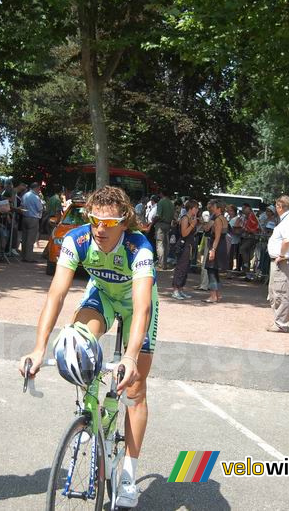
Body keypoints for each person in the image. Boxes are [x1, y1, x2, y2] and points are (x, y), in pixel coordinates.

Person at [18, 185, 157, 508]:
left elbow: (142, 309)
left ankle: (127, 473)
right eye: (93, 220)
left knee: (135, 388)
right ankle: (89, 414)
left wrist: (131, 357)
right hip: (103, 298)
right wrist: (39, 348)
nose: (99, 229)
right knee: (76, 339)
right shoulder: (77, 239)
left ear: (125, 222)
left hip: (136, 305)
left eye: (108, 223)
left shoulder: (140, 247)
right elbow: (56, 294)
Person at [266, 195, 289, 332]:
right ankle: (278, 321)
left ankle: (281, 323)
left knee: (281, 291)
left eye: (276, 206)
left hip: (285, 260)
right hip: (283, 260)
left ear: (280, 206)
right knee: (275, 291)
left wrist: (281, 255)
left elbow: (287, 240)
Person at [171, 200, 199, 299]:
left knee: (186, 268)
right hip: (184, 246)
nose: (197, 210)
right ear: (191, 208)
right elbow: (184, 233)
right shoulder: (185, 218)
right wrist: (192, 225)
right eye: (196, 208)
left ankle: (180, 289)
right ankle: (175, 290)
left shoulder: (191, 218)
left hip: (189, 246)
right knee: (181, 268)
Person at [203, 199, 228, 304]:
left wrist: (212, 250)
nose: (211, 208)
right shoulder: (223, 218)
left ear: (218, 208)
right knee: (215, 271)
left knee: (211, 270)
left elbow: (217, 237)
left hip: (216, 246)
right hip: (221, 246)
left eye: (213, 207)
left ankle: (213, 296)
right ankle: (217, 295)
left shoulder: (218, 220)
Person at [20, 182, 43, 262]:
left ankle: (23, 256)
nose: (39, 190)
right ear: (36, 188)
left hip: (25, 217)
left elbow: (21, 206)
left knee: (24, 238)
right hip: (33, 219)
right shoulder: (35, 197)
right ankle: (29, 257)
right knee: (30, 239)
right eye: (39, 188)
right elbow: (40, 208)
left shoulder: (25, 195)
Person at [152, 190, 174, 270]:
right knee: (166, 244)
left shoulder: (161, 202)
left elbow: (158, 215)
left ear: (161, 193)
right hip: (168, 225)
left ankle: (161, 264)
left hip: (160, 224)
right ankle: (165, 263)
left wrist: (153, 221)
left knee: (160, 244)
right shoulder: (171, 203)